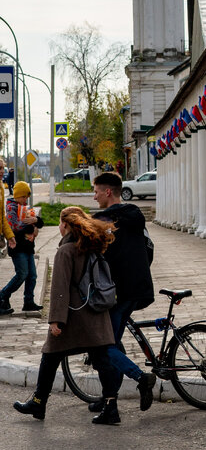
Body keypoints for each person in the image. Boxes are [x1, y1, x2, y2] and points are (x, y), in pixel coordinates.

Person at [13, 206, 123, 424]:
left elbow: (60, 289)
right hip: (96, 313)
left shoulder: (66, 250)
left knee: (50, 355)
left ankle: (38, 401)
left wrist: (56, 320)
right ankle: (111, 406)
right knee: (102, 360)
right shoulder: (93, 245)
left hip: (74, 316)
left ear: (64, 225)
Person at [90, 171, 156, 412]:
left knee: (105, 345)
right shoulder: (135, 215)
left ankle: (141, 378)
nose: (94, 195)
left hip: (117, 293)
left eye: (96, 191)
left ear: (108, 192)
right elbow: (149, 248)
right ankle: (109, 397)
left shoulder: (102, 221)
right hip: (137, 287)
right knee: (114, 343)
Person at [0, 181, 44, 315]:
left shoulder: (25, 208)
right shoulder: (11, 208)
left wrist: (35, 221)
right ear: (17, 196)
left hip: (28, 247)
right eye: (24, 197)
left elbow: (40, 222)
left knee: (32, 276)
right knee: (22, 274)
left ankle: (28, 301)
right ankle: (3, 294)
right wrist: (32, 226)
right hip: (17, 247)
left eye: (27, 197)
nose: (26, 200)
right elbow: (15, 227)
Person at [0, 159, 16, 259]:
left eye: (2, 168)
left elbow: (2, 217)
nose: (2, 171)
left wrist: (10, 236)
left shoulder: (1, 188)